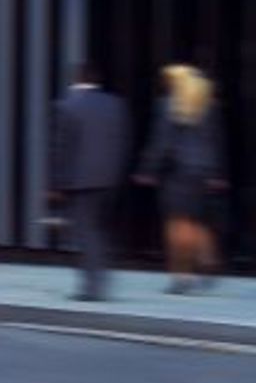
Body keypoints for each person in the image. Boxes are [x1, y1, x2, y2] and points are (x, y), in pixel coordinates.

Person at [135, 64, 228, 294]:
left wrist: (148, 169)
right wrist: (217, 174)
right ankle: (208, 257)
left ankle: (182, 276)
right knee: (196, 220)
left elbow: (161, 142)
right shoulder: (208, 105)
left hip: (177, 172)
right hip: (203, 171)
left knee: (177, 224)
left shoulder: (167, 105)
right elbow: (216, 142)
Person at [49, 63, 130, 301]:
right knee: (102, 231)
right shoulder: (115, 104)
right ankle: (101, 278)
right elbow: (123, 142)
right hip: (110, 179)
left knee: (86, 234)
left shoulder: (67, 106)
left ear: (76, 80)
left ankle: (92, 287)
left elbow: (60, 149)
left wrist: (56, 184)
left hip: (80, 181)